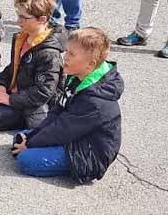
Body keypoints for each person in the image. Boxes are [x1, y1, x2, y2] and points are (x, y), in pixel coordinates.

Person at [11, 28, 123, 183]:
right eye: (67, 51)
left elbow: (62, 129)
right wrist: (32, 137)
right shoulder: (77, 77)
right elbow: (57, 112)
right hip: (74, 136)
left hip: (88, 154)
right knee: (21, 137)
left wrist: (30, 144)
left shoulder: (94, 101)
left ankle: (47, 154)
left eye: (71, 54)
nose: (65, 57)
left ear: (90, 65)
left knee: (25, 159)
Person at [0, 0, 67, 131]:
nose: (18, 21)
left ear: (42, 19)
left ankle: (29, 119)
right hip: (17, 92)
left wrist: (10, 100)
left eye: (24, 18)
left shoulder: (48, 53)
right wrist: (0, 86)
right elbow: (14, 67)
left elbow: (44, 91)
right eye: (18, 15)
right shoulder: (23, 37)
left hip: (32, 102)